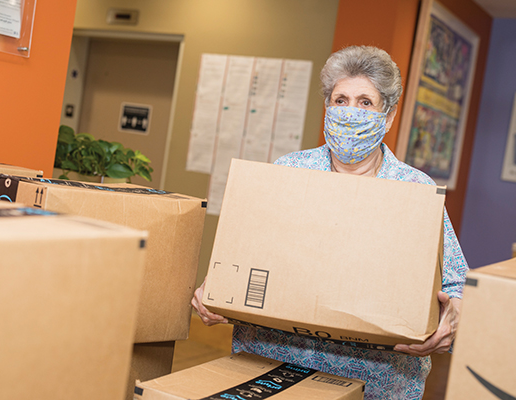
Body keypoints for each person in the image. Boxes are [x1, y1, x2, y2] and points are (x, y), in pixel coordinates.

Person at [192, 45, 468, 400]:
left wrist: (454, 314)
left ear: (388, 116)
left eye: (365, 102)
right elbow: (246, 254)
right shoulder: (289, 172)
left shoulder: (414, 190)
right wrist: (215, 289)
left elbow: (458, 281)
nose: (350, 112)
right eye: (341, 100)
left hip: (380, 383)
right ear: (327, 108)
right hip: (274, 369)